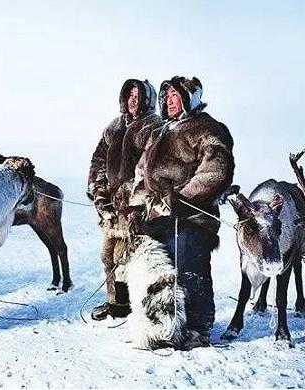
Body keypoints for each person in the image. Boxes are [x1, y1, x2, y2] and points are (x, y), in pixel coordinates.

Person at [130, 76, 235, 347]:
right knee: (162, 274)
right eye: (167, 96)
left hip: (191, 216)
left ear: (191, 98)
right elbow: (143, 172)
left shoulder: (208, 128)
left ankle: (199, 328)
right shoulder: (160, 132)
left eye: (176, 95)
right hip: (157, 216)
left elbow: (217, 168)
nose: (170, 101)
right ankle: (166, 326)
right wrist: (136, 206)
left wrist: (183, 198)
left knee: (190, 269)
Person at [87, 79, 162, 321]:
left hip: (138, 208)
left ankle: (136, 306)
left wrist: (132, 196)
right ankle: (116, 303)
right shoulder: (113, 127)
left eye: (138, 94)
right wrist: (99, 192)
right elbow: (98, 160)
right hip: (111, 208)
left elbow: (149, 166)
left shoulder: (153, 126)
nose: (133, 98)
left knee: (131, 258)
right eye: (129, 93)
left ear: (147, 98)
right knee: (108, 255)